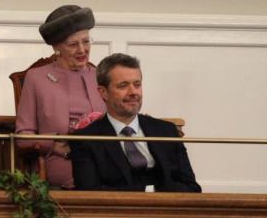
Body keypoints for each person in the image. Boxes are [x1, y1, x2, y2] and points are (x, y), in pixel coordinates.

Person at [70, 53, 200, 192]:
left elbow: (192, 188)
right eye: (123, 86)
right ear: (103, 92)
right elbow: (89, 194)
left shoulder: (167, 131)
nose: (133, 92)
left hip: (167, 210)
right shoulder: (85, 139)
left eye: (137, 84)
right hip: (117, 212)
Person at [15, 5, 105, 189]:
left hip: (104, 165)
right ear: (57, 47)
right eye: (73, 44)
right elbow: (23, 136)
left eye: (86, 41)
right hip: (60, 164)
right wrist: (54, 146)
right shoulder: (36, 78)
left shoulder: (102, 76)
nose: (82, 50)